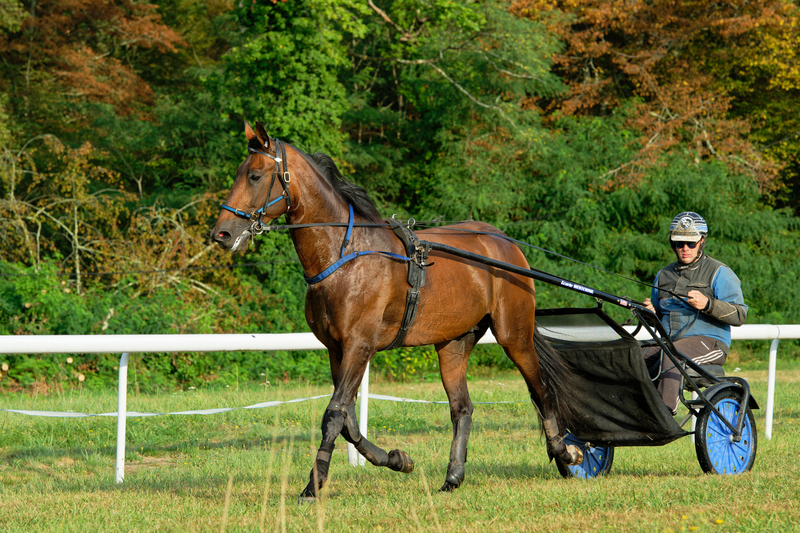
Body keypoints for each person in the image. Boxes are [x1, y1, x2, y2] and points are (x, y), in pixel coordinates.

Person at [643, 212, 748, 415]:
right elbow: (659, 317)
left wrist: (708, 304)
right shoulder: (663, 275)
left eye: (690, 243)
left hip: (711, 343)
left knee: (671, 353)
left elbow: (740, 315)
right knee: (632, 355)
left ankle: (663, 413)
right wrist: (650, 314)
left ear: (701, 241)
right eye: (679, 243)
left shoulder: (720, 272)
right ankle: (628, 412)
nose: (685, 249)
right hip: (669, 341)